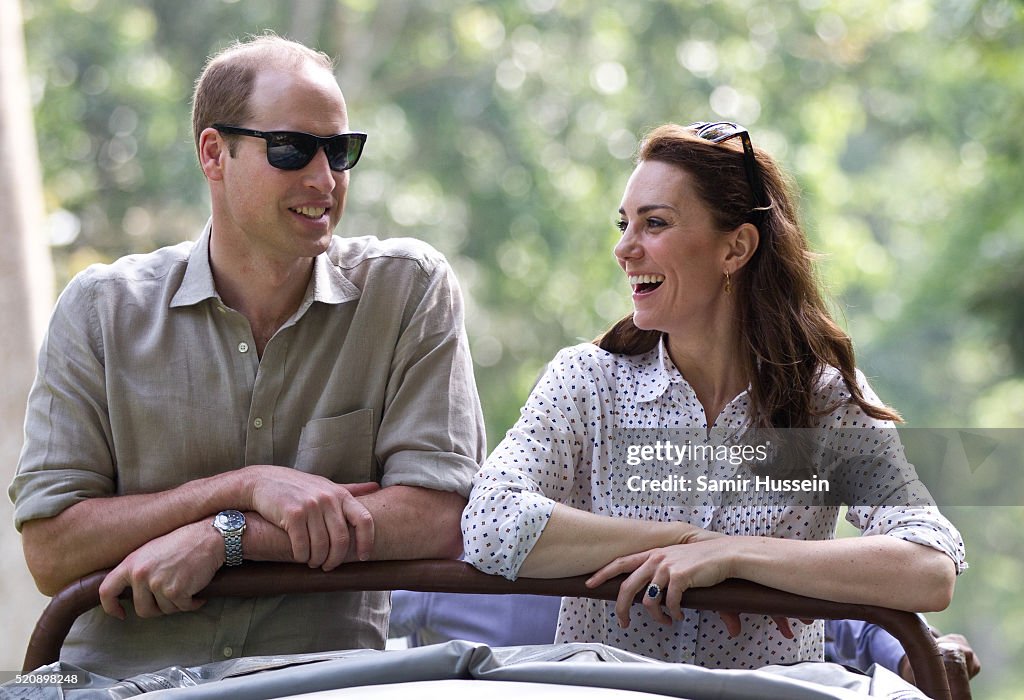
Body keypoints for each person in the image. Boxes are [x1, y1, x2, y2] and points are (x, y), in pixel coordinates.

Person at [9, 34, 485, 679]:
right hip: (121, 689)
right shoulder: (101, 309)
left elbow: (440, 516)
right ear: (214, 153)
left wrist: (226, 537)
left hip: (322, 683)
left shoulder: (408, 289)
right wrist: (243, 487)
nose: (323, 179)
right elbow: (53, 550)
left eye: (339, 151)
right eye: (291, 149)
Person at [462, 121, 966, 669]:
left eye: (654, 223)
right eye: (624, 224)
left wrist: (736, 555)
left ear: (736, 248)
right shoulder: (587, 381)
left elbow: (929, 564)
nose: (624, 248)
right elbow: (490, 523)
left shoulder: (824, 401)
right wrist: (684, 541)